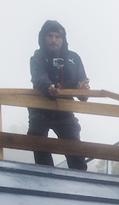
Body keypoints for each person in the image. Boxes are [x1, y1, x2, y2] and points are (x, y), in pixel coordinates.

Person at [28, 20, 90, 171]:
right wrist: (49, 87)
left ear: (63, 39)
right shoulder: (37, 58)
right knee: (39, 145)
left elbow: (82, 85)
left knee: (75, 152)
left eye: (57, 36)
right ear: (43, 38)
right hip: (40, 109)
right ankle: (46, 181)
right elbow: (39, 78)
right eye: (50, 36)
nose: (54, 40)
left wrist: (83, 90)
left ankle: (81, 184)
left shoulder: (74, 58)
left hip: (64, 110)